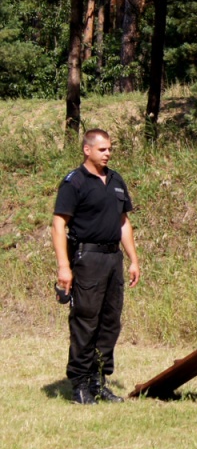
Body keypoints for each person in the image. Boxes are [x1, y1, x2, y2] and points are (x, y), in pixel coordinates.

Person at [52, 129, 141, 404]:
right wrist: (64, 267)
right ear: (87, 150)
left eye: (110, 149)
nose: (108, 153)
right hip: (86, 258)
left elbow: (123, 222)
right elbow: (58, 224)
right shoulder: (74, 182)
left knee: (110, 322)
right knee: (86, 321)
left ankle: (98, 381)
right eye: (102, 149)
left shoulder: (116, 180)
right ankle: (79, 384)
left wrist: (133, 260)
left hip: (113, 259)